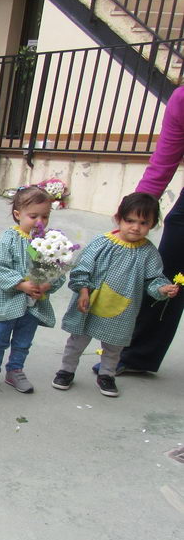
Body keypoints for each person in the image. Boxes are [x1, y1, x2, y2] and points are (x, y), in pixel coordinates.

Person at [54, 192, 179, 397]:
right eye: (130, 220)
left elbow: (153, 280)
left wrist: (162, 289)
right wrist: (83, 290)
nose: (136, 227)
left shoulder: (148, 252)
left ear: (153, 224)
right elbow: (82, 268)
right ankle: (66, 370)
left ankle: (107, 375)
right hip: (90, 304)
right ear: (117, 218)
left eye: (143, 222)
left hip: (122, 310)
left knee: (114, 347)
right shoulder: (102, 243)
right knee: (77, 341)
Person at [119, 84, 184, 374]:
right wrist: (134, 212)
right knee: (167, 276)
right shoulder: (182, 99)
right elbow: (163, 161)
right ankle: (137, 358)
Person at [0, 187, 60, 393]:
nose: (39, 221)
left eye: (45, 216)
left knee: (23, 341)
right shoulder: (9, 238)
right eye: (33, 216)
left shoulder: (48, 242)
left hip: (33, 304)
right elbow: (0, 267)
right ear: (18, 214)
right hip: (8, 301)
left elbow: (58, 269)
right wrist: (21, 284)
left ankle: (15, 370)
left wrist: (47, 285)